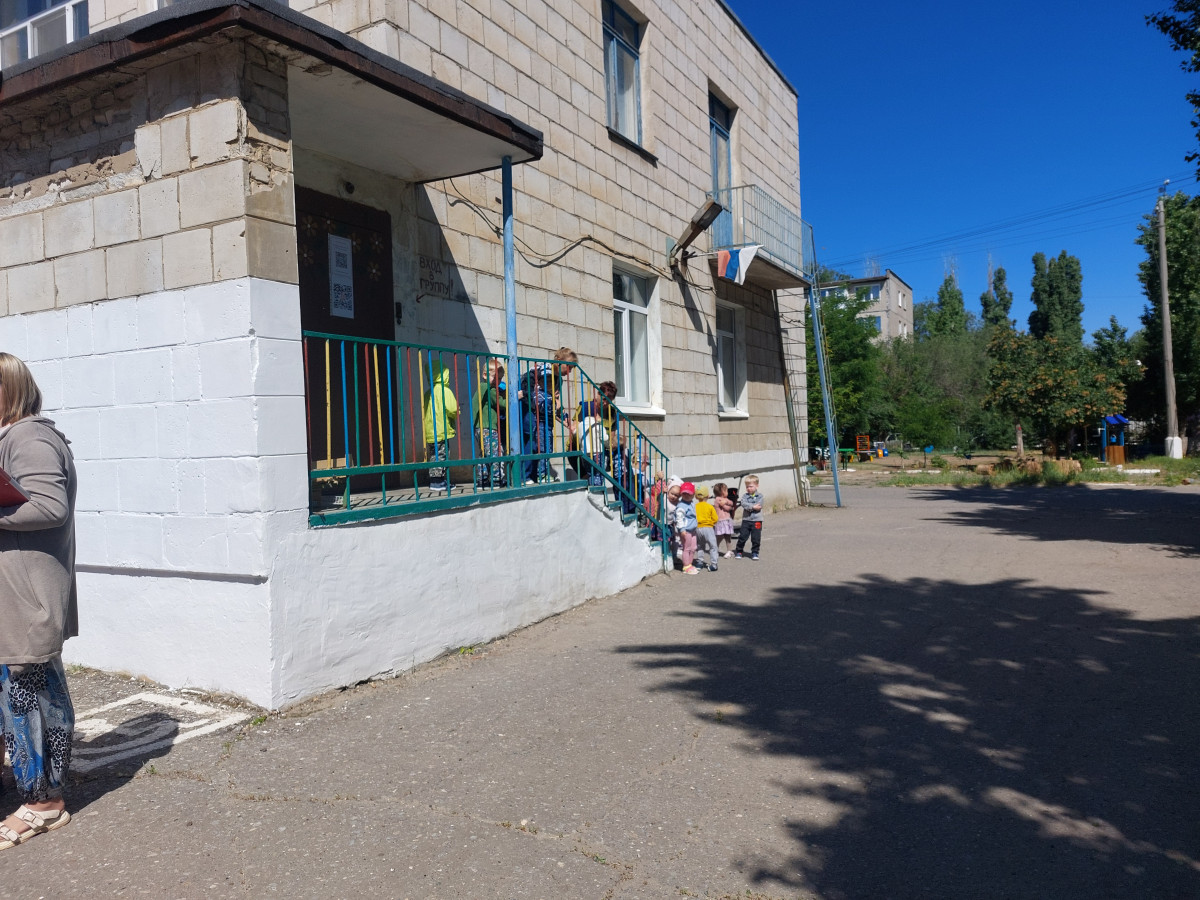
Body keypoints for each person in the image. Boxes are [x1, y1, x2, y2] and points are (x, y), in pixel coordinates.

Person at [0, 353, 78, 851]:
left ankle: (45, 804)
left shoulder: (29, 438)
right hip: (12, 593)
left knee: (30, 693)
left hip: (27, 596)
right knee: (12, 692)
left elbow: (50, 507)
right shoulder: (12, 437)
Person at [520, 347, 577, 485]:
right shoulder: (543, 369)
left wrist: (564, 418)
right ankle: (524, 476)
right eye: (569, 367)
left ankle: (535, 475)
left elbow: (555, 401)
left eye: (572, 369)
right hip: (530, 409)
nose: (569, 371)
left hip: (544, 414)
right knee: (532, 441)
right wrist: (528, 396)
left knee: (542, 443)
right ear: (559, 361)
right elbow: (527, 384)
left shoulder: (558, 380)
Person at [422, 357, 458, 493]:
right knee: (442, 455)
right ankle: (438, 482)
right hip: (442, 430)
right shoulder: (444, 390)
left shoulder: (428, 393)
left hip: (430, 431)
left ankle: (436, 480)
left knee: (434, 455)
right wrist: (457, 412)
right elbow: (452, 409)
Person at [474, 358, 508, 489]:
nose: (498, 381)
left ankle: (482, 480)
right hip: (488, 428)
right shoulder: (490, 390)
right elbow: (502, 404)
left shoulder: (480, 388)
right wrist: (514, 396)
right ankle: (496, 479)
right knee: (496, 452)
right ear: (485, 375)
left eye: (500, 378)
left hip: (479, 428)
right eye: (496, 377)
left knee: (484, 454)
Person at [576, 381, 617, 487]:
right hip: (582, 450)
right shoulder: (586, 406)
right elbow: (575, 429)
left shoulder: (612, 412)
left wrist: (612, 445)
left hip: (601, 451)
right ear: (598, 394)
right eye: (604, 399)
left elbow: (611, 436)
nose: (605, 403)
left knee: (598, 477)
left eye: (609, 401)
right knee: (592, 477)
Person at [734, 474, 764, 560]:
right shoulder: (745, 496)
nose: (749, 488)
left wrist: (749, 506)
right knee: (742, 536)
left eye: (751, 486)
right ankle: (739, 551)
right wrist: (753, 507)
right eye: (747, 487)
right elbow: (743, 504)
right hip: (746, 520)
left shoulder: (760, 496)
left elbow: (759, 506)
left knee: (756, 538)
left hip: (757, 520)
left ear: (757, 486)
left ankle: (755, 552)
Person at [674, 481, 700, 574]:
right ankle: (686, 566)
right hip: (686, 530)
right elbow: (679, 518)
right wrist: (682, 529)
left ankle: (690, 563)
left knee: (693, 547)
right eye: (684, 493)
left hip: (693, 530)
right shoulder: (681, 506)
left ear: (693, 494)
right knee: (687, 548)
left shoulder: (691, 503)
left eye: (689, 494)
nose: (686, 495)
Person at [694, 486, 719, 572]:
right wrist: (711, 523)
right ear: (708, 496)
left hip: (698, 528)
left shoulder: (695, 506)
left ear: (696, 497)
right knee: (713, 546)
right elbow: (715, 518)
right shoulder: (710, 506)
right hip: (708, 528)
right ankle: (714, 564)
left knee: (700, 546)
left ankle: (699, 563)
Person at [712, 482, 736, 558]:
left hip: (727, 520)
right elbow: (726, 508)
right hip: (721, 521)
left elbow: (731, 502)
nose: (727, 492)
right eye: (726, 491)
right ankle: (715, 549)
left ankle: (729, 550)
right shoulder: (718, 499)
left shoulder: (725, 499)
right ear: (722, 492)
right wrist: (731, 508)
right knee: (719, 536)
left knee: (728, 536)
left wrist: (726, 501)